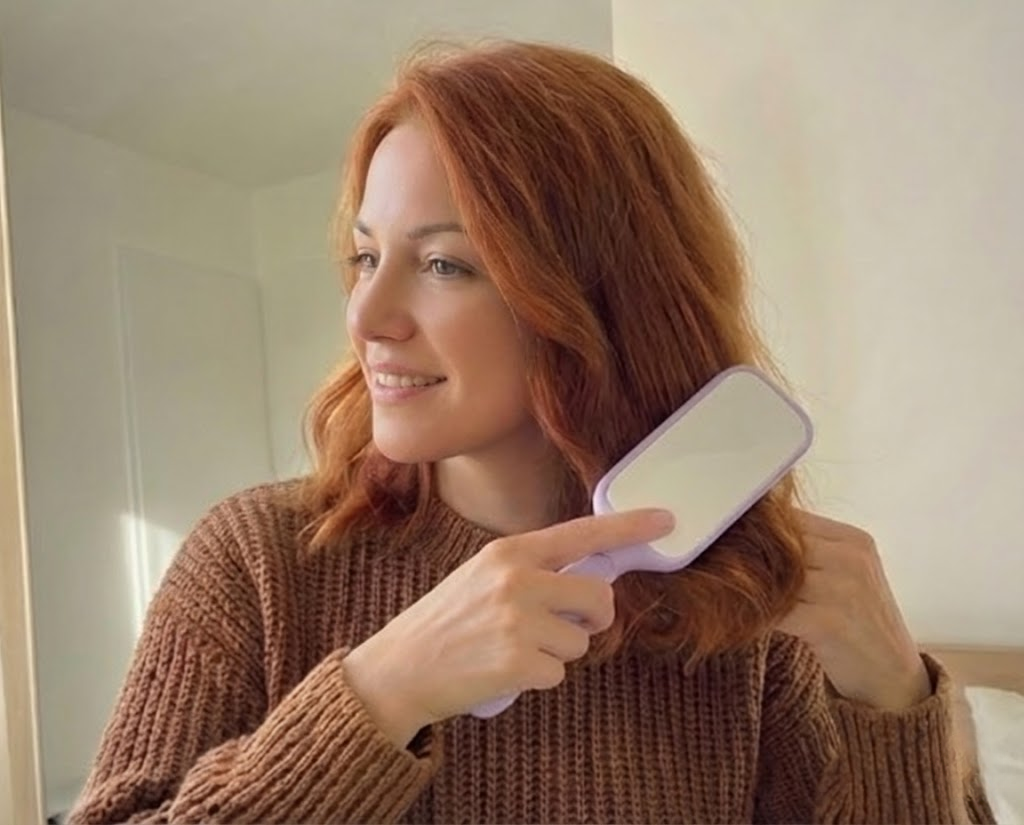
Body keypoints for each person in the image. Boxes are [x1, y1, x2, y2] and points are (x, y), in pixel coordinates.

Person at [69, 40, 993, 824]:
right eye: (365, 255)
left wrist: (895, 699)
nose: (366, 315)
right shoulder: (255, 563)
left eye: (443, 263)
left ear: (605, 298)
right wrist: (381, 694)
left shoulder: (746, 616)